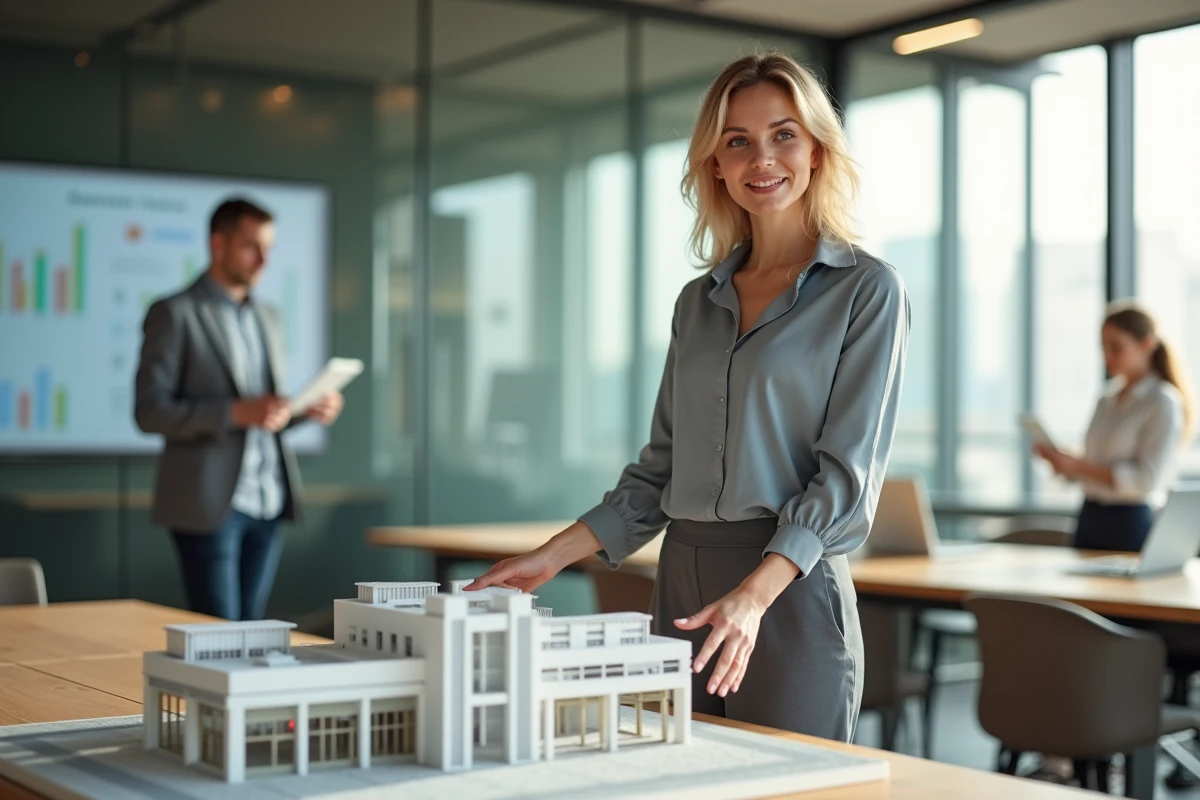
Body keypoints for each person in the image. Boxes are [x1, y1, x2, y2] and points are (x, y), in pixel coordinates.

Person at [465, 52, 910, 741]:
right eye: (739, 141)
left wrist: (755, 598)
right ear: (716, 166)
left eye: (784, 134)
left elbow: (845, 479)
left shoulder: (867, 291)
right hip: (680, 581)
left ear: (817, 150)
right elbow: (660, 470)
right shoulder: (696, 303)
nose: (763, 157)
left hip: (786, 587)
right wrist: (550, 556)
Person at [134, 198, 344, 621]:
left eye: (269, 247)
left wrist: (305, 410)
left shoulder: (268, 316)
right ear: (218, 244)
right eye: (252, 246)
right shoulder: (175, 313)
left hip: (268, 499)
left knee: (252, 630)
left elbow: (264, 414)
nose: (265, 259)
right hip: (209, 504)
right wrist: (233, 413)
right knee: (219, 636)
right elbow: (150, 411)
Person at [1034, 301, 1193, 552]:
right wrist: (1063, 463)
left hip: (1129, 523)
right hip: (1090, 518)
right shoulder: (1106, 399)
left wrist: (1080, 466)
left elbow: (1146, 480)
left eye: (1116, 347)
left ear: (1147, 345)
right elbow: (1093, 464)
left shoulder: (1162, 402)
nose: (1107, 357)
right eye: (1104, 348)